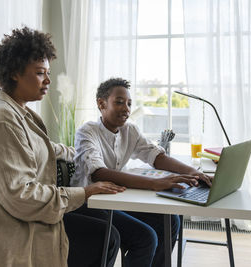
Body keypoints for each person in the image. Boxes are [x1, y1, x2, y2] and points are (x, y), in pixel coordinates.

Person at [0, 27, 126, 267]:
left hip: (12, 212)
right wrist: (85, 192)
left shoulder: (16, 111)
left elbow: (47, 148)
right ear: (15, 73)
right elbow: (20, 197)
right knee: (104, 236)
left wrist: (88, 154)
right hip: (5, 223)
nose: (48, 80)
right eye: (40, 73)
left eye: (47, 73)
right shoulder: (2, 120)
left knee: (107, 233)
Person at [70, 77, 213, 267]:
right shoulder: (87, 131)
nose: (126, 108)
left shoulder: (130, 130)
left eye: (129, 103)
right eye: (119, 102)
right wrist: (155, 183)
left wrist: (194, 172)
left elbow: (157, 157)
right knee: (146, 237)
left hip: (113, 200)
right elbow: (99, 173)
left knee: (170, 221)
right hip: (89, 203)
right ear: (101, 104)